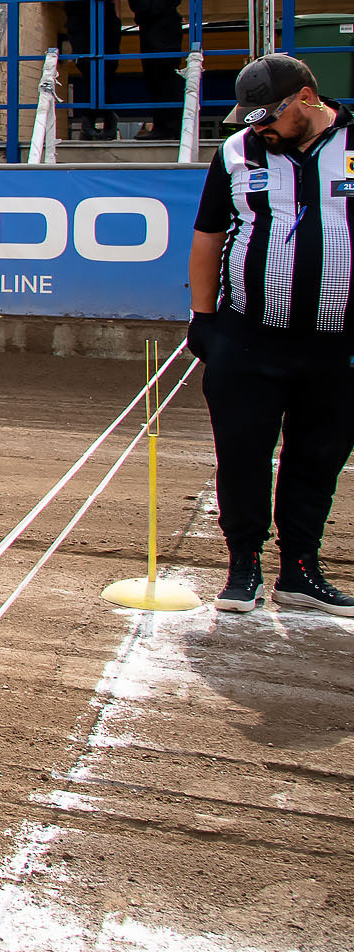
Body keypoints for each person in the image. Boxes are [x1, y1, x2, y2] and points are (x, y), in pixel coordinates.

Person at [189, 53, 354, 615]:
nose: (260, 128)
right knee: (241, 455)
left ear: (307, 100)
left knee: (317, 459)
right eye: (253, 118)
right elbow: (209, 235)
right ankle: (243, 566)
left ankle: (300, 569)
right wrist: (203, 318)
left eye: (271, 116)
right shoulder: (237, 152)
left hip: (338, 342)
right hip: (248, 337)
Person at [120, 0, 222, 139]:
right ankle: (160, 126)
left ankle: (172, 128)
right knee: (152, 77)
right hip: (146, 28)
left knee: (167, 75)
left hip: (166, 27)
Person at [49, 0, 120, 139]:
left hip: (107, 22)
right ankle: (88, 120)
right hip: (81, 23)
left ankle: (108, 118)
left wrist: (117, 16)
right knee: (88, 68)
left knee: (108, 68)